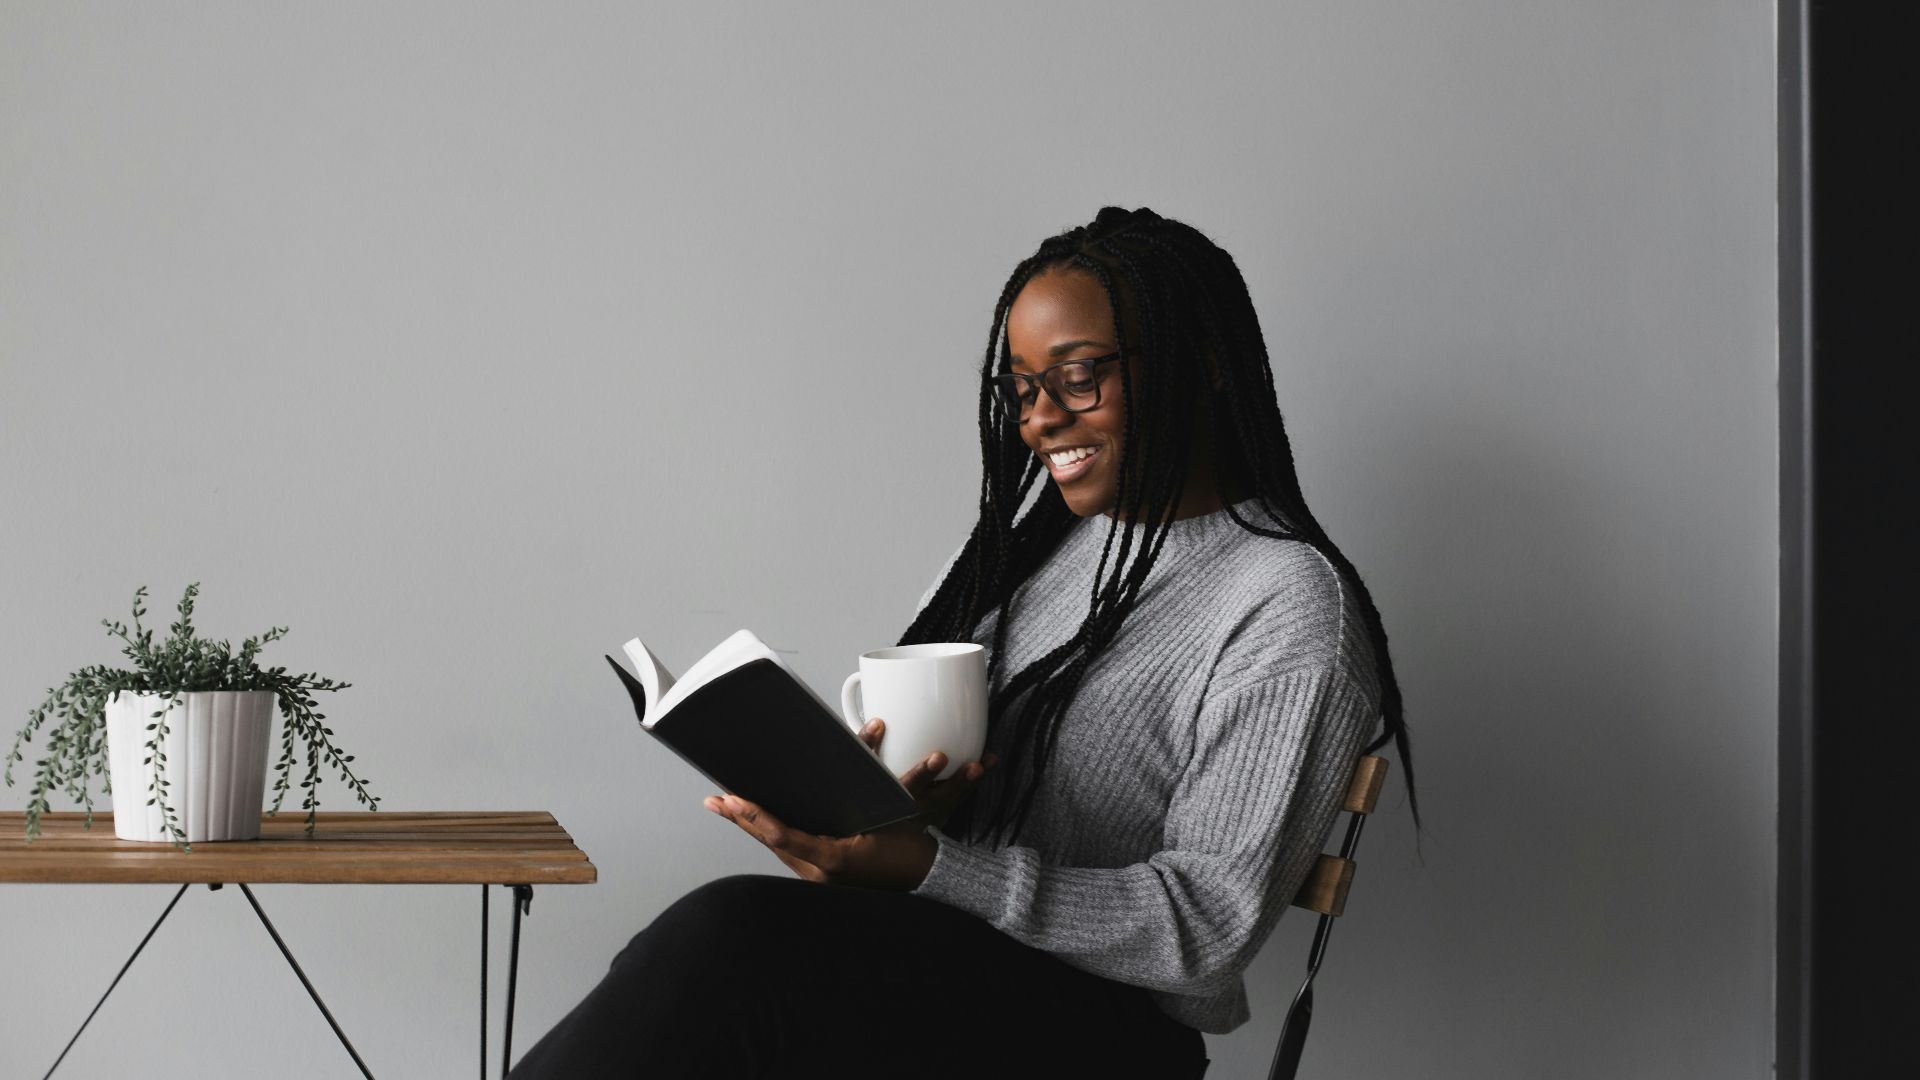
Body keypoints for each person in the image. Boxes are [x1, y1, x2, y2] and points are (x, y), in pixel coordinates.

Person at [508, 206, 1419, 1079]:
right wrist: (890, 824)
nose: (1037, 419)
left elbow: (1208, 929)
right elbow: (968, 826)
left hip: (1105, 1039)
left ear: (1206, 361)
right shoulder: (1032, 553)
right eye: (1021, 389)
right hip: (955, 978)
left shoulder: (1287, 604)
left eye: (1077, 375)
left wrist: (939, 868)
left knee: (726, 946)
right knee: (691, 974)